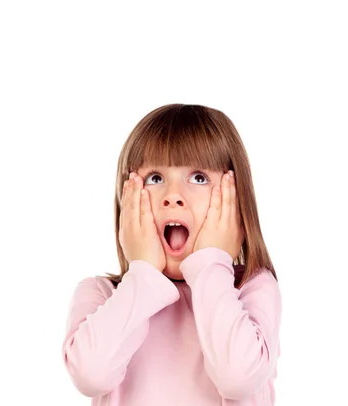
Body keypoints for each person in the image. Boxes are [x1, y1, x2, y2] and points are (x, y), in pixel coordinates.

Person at [62, 103, 282, 405]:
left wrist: (210, 265)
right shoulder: (102, 295)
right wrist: (143, 274)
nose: (173, 196)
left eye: (199, 178)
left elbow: (237, 378)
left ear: (235, 200)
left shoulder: (252, 288)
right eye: (155, 178)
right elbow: (91, 375)